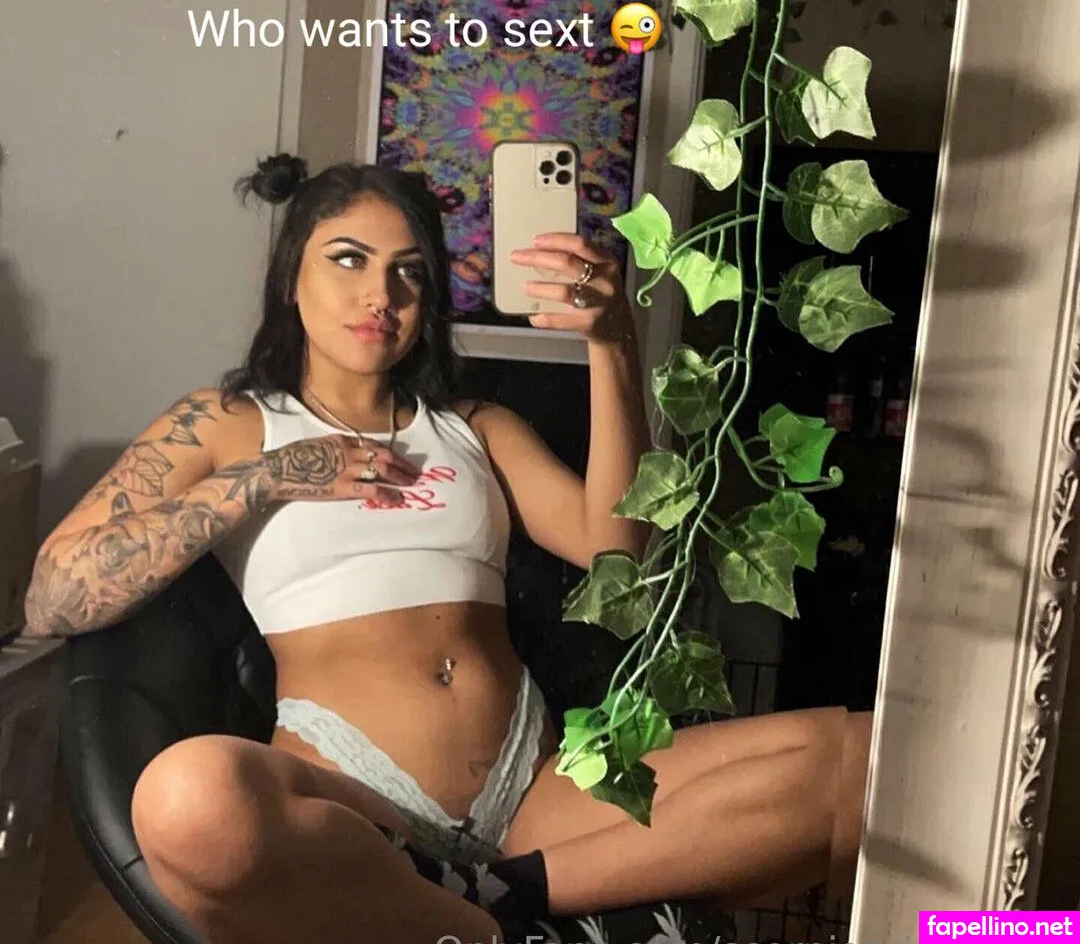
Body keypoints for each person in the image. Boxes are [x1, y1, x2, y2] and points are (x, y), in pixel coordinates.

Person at [22, 154, 872, 944]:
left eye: (409, 271)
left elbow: (617, 545)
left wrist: (612, 340)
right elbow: (53, 593)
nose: (380, 293)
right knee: (185, 801)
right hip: (356, 805)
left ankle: (505, 896)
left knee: (866, 760)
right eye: (348, 259)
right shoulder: (228, 422)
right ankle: (474, 920)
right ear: (290, 278)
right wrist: (271, 475)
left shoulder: (475, 428)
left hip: (533, 790)